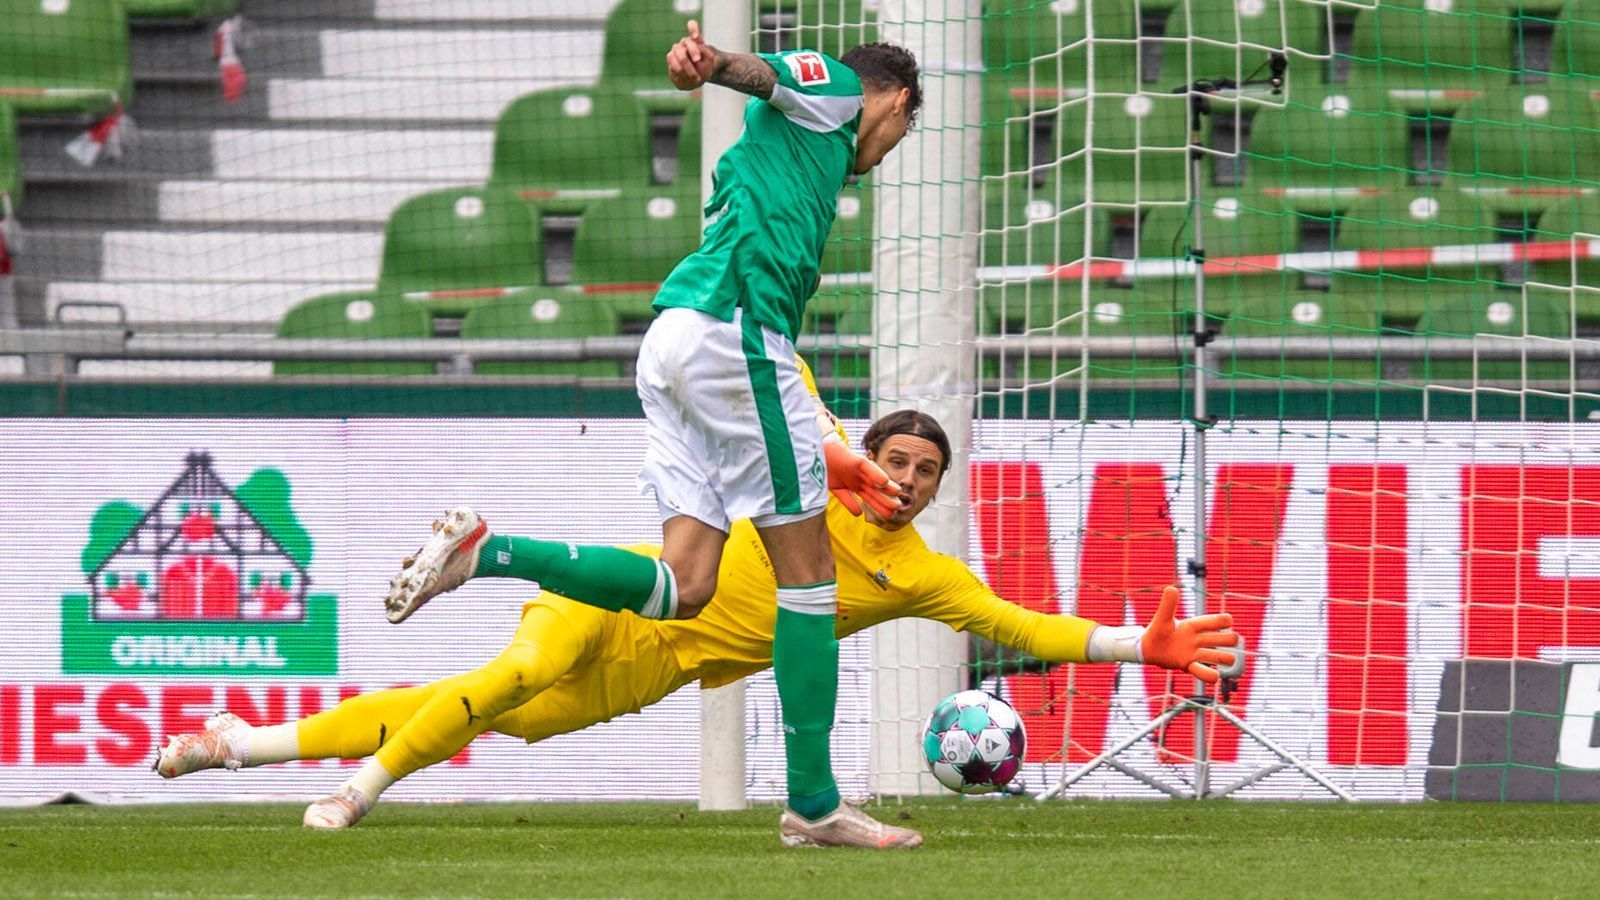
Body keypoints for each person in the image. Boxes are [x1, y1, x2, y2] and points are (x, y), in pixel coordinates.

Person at [155, 410, 1240, 846]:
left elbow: (1021, 623)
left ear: (936, 490)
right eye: (893, 462)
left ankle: (236, 743)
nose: (903, 482)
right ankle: (358, 790)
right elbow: (791, 380)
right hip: (626, 590)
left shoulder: (920, 574)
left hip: (654, 673)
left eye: (923, 473)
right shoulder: (807, 472)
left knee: (478, 709)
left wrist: (1129, 647)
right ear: (868, 459)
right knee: (523, 662)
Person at [374, 23, 925, 845]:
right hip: (735, 335)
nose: (878, 156)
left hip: (673, 340)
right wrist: (712, 64)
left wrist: (712, 71)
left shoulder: (792, 144)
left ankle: (488, 553)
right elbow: (770, 71)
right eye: (897, 137)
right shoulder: (841, 93)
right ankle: (814, 803)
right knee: (810, 578)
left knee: (686, 585)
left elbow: (766, 90)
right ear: (899, 104)